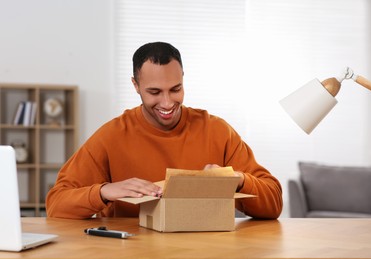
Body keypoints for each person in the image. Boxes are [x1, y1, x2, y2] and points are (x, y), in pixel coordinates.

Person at [46, 42, 283, 219]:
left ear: (183, 80)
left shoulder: (217, 131)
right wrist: (104, 192)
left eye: (176, 89)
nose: (168, 103)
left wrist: (238, 180)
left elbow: (273, 204)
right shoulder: (111, 135)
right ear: (135, 85)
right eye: (155, 92)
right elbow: (56, 205)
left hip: (206, 250)